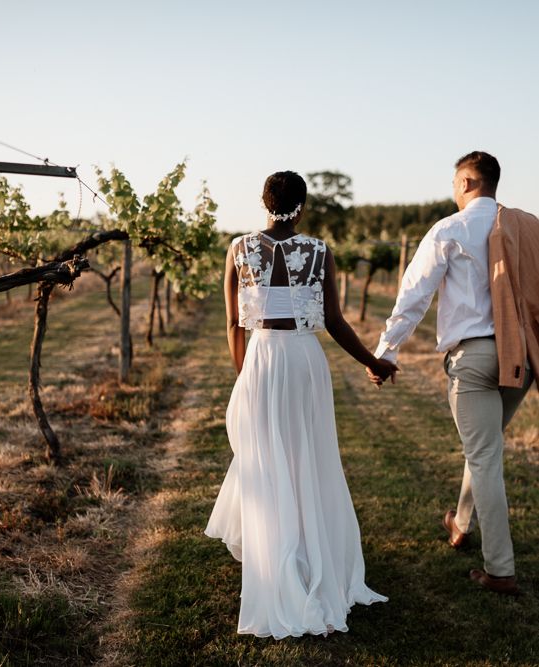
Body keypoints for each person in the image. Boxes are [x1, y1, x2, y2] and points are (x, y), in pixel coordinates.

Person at [205, 171, 395, 638]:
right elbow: (333, 320)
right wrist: (373, 361)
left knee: (268, 460)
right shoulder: (318, 251)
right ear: (303, 206)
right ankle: (310, 560)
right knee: (309, 457)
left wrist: (245, 376)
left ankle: (279, 560)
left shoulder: (238, 249)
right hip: (305, 360)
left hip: (262, 359)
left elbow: (233, 324)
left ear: (264, 202)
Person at [368, 151, 535, 596]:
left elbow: (414, 296)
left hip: (475, 359)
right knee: (484, 446)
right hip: (523, 357)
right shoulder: (528, 227)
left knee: (484, 456)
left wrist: (386, 352)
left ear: (465, 182)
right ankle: (460, 524)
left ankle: (500, 569)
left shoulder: (450, 229)